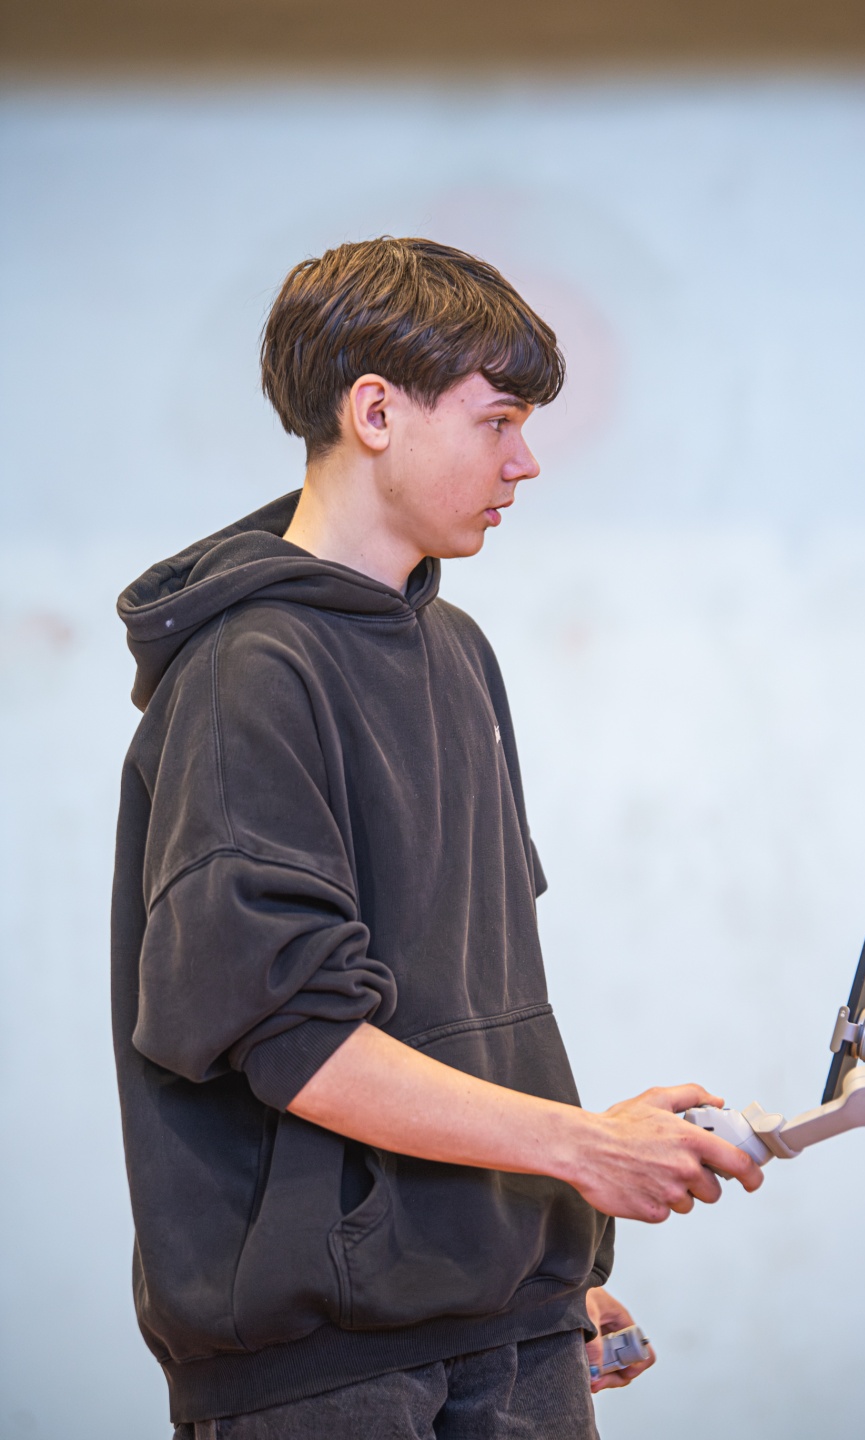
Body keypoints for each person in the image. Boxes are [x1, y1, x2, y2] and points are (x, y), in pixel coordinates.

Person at [112, 237, 762, 1440]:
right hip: (326, 1374)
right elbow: (298, 1046)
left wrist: (527, 1248)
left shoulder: (457, 653)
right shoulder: (248, 673)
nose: (524, 461)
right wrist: (582, 1148)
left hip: (505, 1324)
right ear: (374, 413)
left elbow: (458, 1005)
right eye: (497, 420)